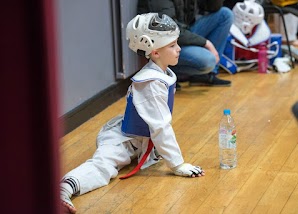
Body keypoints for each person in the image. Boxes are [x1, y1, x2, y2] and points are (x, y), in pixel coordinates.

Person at [60, 13, 205, 214]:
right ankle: (63, 189)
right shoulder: (150, 83)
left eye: (177, 43)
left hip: (139, 141)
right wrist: (177, 164)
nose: (179, 48)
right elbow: (160, 126)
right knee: (104, 167)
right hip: (122, 138)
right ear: (155, 52)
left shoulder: (162, 74)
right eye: (172, 45)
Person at [137, 0, 234, 88]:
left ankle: (205, 76)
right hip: (163, 43)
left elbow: (212, 7)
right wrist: (205, 43)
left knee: (225, 15)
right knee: (208, 60)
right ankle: (166, 72)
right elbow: (168, 29)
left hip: (183, 32)